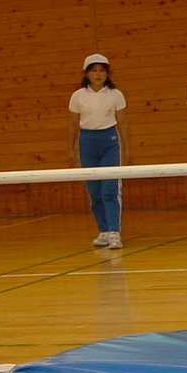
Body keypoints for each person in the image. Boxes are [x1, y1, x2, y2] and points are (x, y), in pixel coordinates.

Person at [68, 53, 129, 249]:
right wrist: (71, 149)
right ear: (86, 74)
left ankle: (114, 231)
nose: (98, 74)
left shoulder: (115, 95)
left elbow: (123, 122)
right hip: (87, 141)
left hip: (109, 140)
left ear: (107, 73)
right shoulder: (78, 96)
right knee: (94, 190)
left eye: (102, 70)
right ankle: (103, 230)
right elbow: (73, 124)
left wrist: (127, 148)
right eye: (94, 70)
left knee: (109, 189)